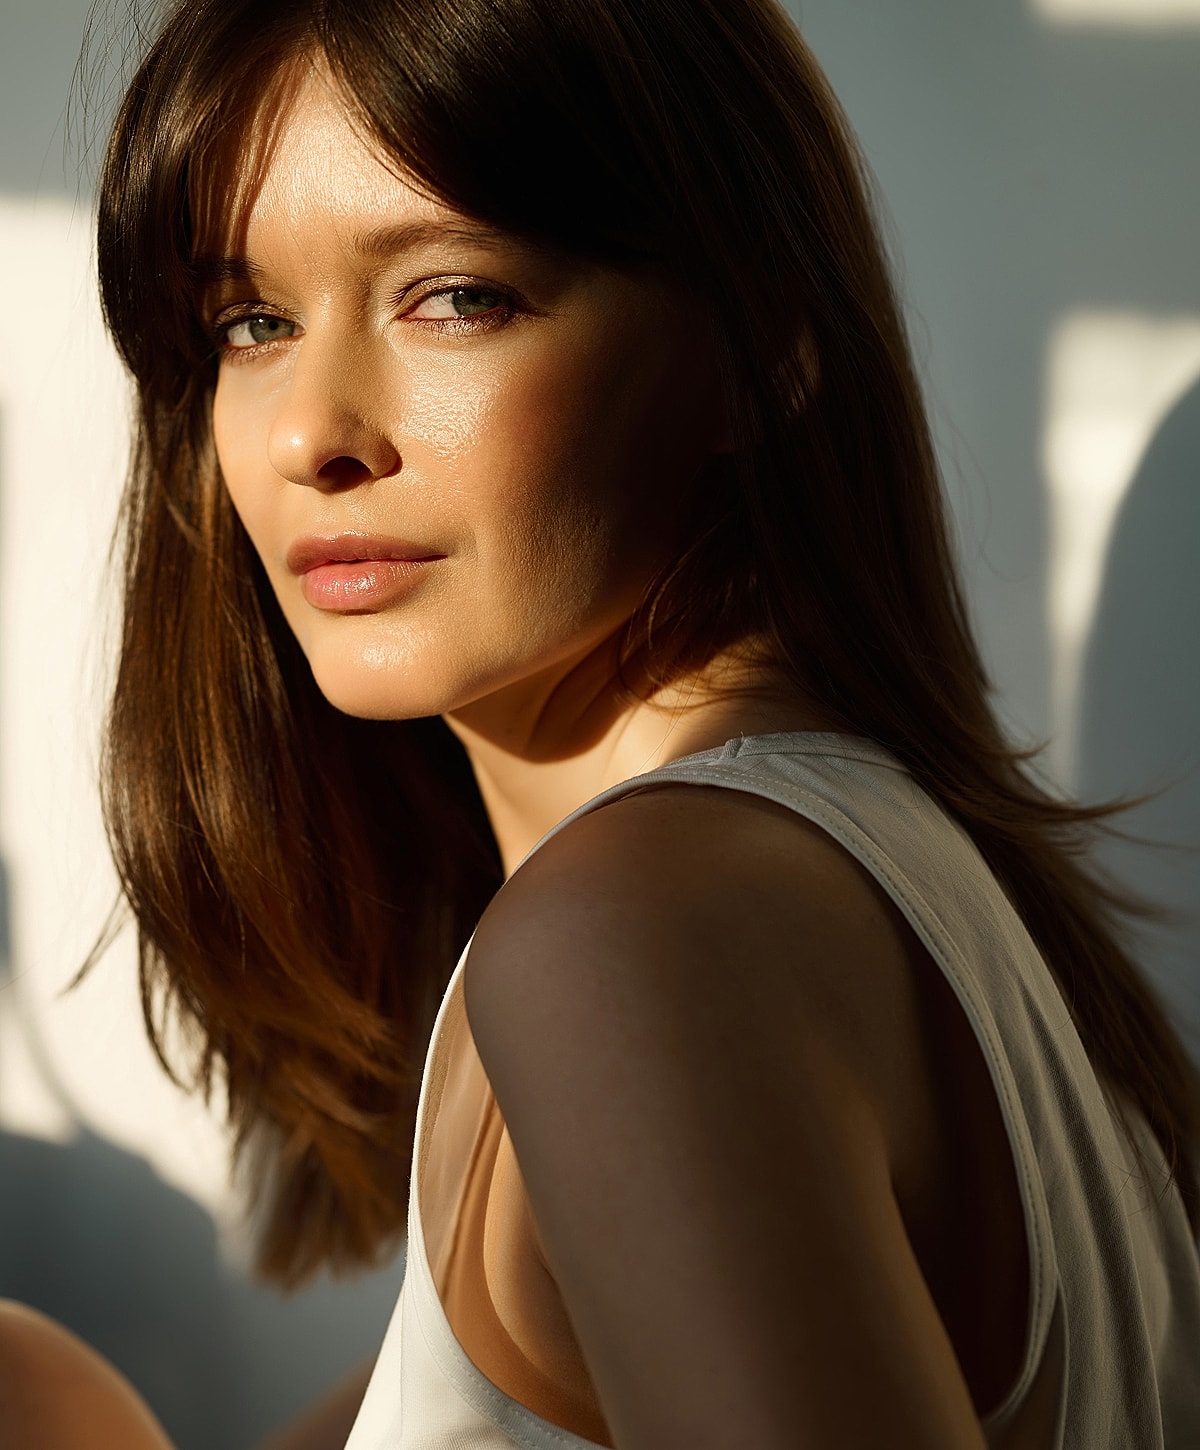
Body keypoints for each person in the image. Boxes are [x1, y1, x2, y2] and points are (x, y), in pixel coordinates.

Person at [2, 0, 1199, 1445]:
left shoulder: (640, 940)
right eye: (252, 321)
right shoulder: (891, 893)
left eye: (456, 296)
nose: (313, 430)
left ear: (763, 341)